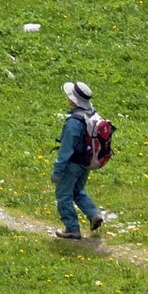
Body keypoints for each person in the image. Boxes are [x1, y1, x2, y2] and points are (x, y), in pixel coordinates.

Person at [52, 81, 106, 240]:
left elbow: (66, 150)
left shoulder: (73, 122)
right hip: (86, 163)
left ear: (74, 100)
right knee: (77, 190)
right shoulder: (92, 114)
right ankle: (93, 214)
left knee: (63, 195)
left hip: (72, 164)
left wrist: (57, 171)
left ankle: (72, 229)